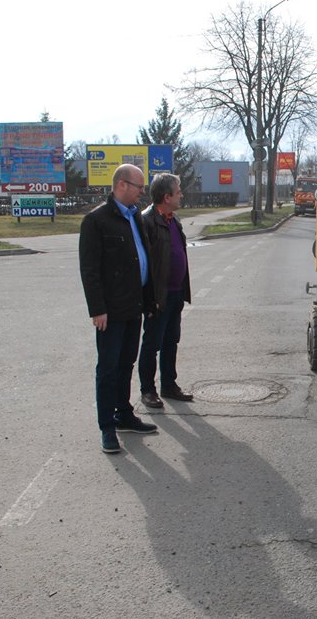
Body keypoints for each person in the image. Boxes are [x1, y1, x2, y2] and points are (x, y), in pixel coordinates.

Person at [79, 164, 159, 454]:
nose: (142, 192)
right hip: (109, 312)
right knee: (108, 369)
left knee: (127, 364)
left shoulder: (134, 215)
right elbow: (90, 270)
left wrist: (149, 301)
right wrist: (97, 309)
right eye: (139, 186)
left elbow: (143, 259)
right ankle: (107, 427)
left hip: (133, 307)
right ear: (122, 185)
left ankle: (124, 414)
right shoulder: (96, 220)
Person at [137, 173, 193, 408]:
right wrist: (147, 300)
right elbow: (144, 264)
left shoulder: (173, 219)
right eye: (178, 191)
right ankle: (147, 390)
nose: (181, 194)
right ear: (166, 196)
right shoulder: (146, 221)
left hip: (175, 293)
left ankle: (169, 385)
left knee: (171, 340)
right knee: (152, 343)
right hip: (157, 297)